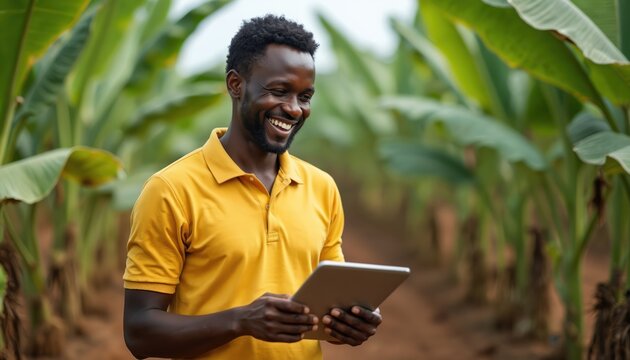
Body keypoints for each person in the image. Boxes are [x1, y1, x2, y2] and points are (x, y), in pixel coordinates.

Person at [122, 14, 382, 359]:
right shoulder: (171, 189)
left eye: (305, 97)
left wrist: (351, 322)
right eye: (279, 91)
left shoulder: (321, 187)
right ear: (235, 85)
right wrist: (241, 321)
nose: (293, 109)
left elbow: (327, 309)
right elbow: (140, 332)